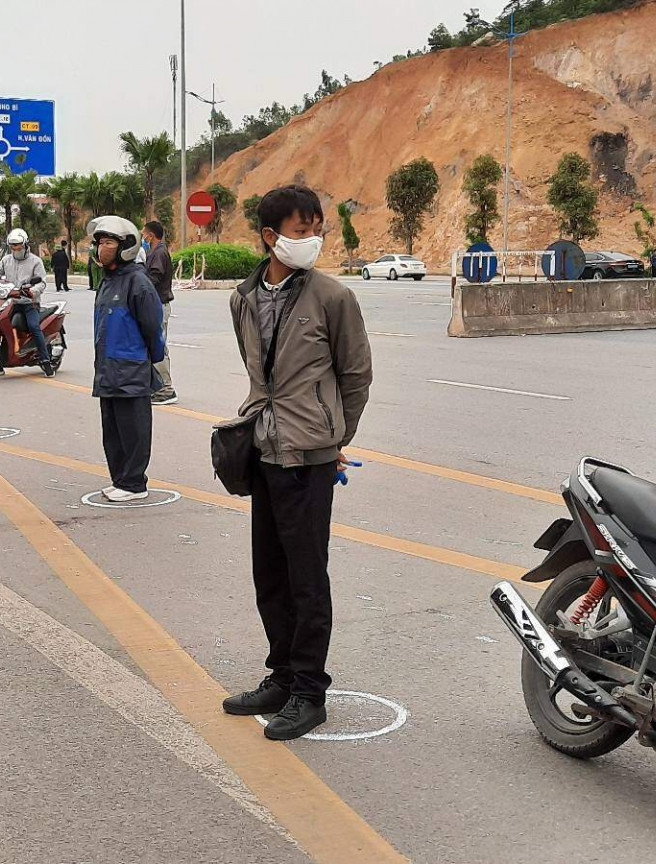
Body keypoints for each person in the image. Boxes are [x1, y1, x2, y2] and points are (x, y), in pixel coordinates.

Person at [218, 186, 373, 741]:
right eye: (302, 230)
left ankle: (309, 691)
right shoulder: (243, 298)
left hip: (310, 457)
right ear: (270, 236)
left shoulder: (334, 297)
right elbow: (257, 372)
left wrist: (333, 436)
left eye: (316, 229)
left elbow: (356, 375)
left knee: (307, 577)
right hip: (263, 450)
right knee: (270, 573)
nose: (313, 239)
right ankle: (281, 676)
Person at [87, 216, 166, 502]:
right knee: (113, 431)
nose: (102, 248)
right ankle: (120, 479)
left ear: (126, 246)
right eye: (100, 242)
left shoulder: (138, 282)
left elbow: (152, 327)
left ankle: (134, 483)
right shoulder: (108, 281)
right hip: (107, 369)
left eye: (109, 242)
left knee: (133, 430)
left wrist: (149, 361)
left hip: (131, 369)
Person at [0, 228, 54, 374]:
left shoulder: (36, 261)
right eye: (13, 247)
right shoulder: (6, 260)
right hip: (11, 302)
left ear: (25, 245)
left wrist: (33, 291)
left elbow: (42, 283)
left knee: (34, 326)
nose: (16, 249)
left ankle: (45, 360)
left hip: (30, 303)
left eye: (18, 246)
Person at [143, 221, 178, 405]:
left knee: (159, 347)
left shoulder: (159, 253)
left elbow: (153, 278)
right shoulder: (155, 252)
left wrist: (140, 285)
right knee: (151, 346)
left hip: (159, 306)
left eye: (144, 235)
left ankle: (166, 389)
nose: (143, 238)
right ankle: (156, 386)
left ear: (151, 236)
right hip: (154, 306)